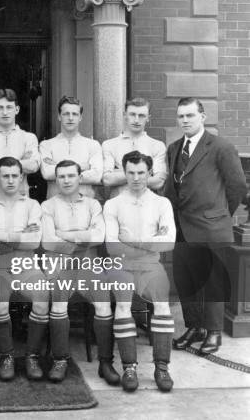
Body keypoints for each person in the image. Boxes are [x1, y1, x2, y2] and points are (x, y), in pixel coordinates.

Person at [164, 97, 246, 354]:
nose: (185, 121)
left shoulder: (221, 146)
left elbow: (238, 187)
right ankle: (195, 327)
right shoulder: (174, 147)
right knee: (187, 280)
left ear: (203, 116)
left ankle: (213, 333)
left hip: (211, 227)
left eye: (190, 115)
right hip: (182, 226)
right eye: (181, 116)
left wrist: (220, 214)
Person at [104, 151, 177, 392]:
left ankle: (162, 367)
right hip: (122, 266)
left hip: (151, 266)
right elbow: (112, 246)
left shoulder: (161, 203)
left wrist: (132, 241)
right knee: (124, 306)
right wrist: (149, 242)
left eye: (141, 172)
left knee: (163, 306)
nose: (136, 177)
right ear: (124, 173)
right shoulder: (113, 204)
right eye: (131, 172)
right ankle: (129, 367)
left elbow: (168, 243)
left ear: (150, 173)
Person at [41, 160, 119, 385]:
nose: (66, 180)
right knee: (58, 303)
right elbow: (48, 242)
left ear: (79, 178)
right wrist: (82, 236)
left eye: (71, 176)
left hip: (88, 266)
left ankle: (105, 362)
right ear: (56, 180)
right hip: (59, 265)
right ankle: (60, 360)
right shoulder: (48, 205)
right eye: (62, 176)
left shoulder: (93, 205)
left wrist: (64, 233)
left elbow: (98, 237)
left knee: (104, 303)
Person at [0, 157, 46, 381]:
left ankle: (32, 356)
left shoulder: (32, 205)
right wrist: (20, 235)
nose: (10, 180)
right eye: (5, 176)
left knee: (41, 299)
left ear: (22, 178)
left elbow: (34, 243)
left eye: (14, 176)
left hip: (27, 265)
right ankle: (7, 357)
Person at [0, 88, 40, 199]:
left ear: (17, 109)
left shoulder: (29, 137)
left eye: (9, 107)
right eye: (0, 108)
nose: (5, 112)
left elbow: (33, 166)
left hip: (21, 199)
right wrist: (20, 163)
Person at [39, 96, 103, 199]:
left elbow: (96, 176)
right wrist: (84, 167)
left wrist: (58, 167)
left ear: (80, 117)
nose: (70, 118)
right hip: (55, 207)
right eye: (66, 114)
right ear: (59, 116)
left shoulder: (93, 145)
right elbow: (47, 173)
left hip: (85, 206)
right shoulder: (46, 145)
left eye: (75, 114)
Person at [102, 98, 167, 198]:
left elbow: (158, 183)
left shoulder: (157, 145)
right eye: (132, 114)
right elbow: (107, 180)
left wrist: (119, 173)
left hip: (148, 207)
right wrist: (145, 174)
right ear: (125, 115)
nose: (136, 120)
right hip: (119, 206)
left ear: (148, 118)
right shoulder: (109, 144)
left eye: (141, 116)